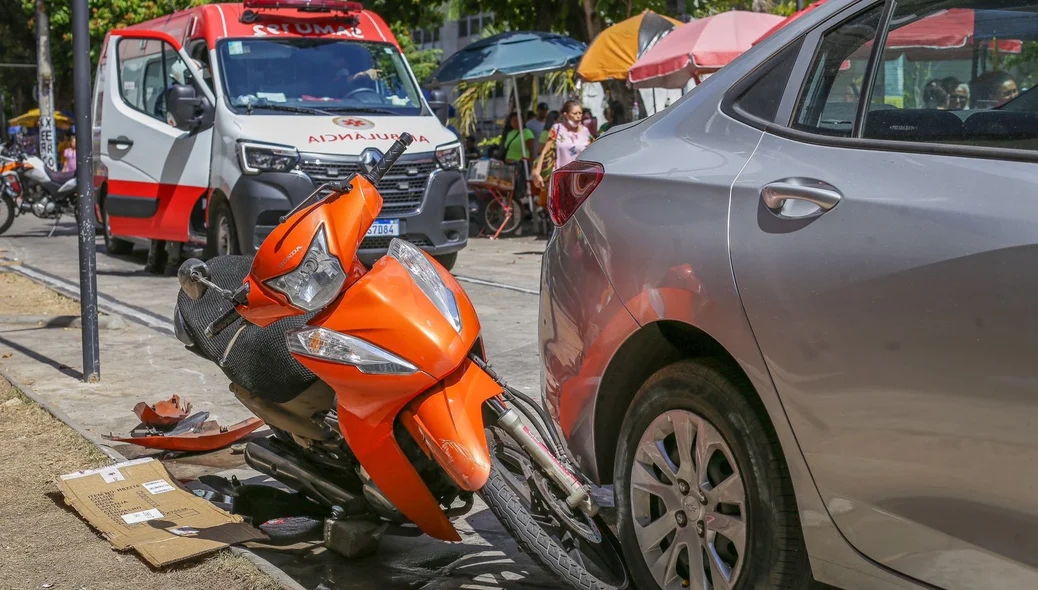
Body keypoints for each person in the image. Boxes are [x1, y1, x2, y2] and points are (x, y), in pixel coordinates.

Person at [532, 100, 593, 193]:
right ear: (566, 115)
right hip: (561, 180)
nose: (578, 116)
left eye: (580, 113)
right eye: (575, 113)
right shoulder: (557, 129)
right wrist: (537, 172)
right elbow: (545, 150)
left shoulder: (586, 132)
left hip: (582, 181)